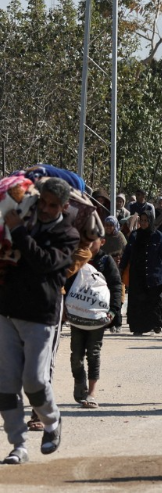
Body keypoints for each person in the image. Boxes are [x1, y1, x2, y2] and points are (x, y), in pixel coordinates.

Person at [0, 178, 79, 464]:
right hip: (7, 312)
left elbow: (44, 262)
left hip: (40, 316)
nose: (45, 209)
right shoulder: (22, 220)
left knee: (34, 381)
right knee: (6, 385)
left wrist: (18, 231)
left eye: (52, 205)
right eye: (42, 202)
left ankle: (52, 421)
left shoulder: (67, 235)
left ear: (64, 207)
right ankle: (18, 446)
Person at [69, 232, 122, 408]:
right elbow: (67, 282)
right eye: (86, 240)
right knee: (76, 356)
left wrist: (113, 311)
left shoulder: (106, 261)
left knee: (93, 353)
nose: (89, 244)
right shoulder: (78, 258)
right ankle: (79, 381)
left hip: (97, 317)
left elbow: (116, 286)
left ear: (103, 242)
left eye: (93, 241)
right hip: (77, 316)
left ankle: (91, 393)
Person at [118, 208, 162, 335]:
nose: (143, 223)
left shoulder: (158, 236)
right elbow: (127, 253)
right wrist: (121, 268)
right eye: (141, 220)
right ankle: (138, 328)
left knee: (153, 302)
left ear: (151, 221)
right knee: (138, 303)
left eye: (146, 220)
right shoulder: (134, 235)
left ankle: (155, 324)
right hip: (137, 275)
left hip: (153, 275)